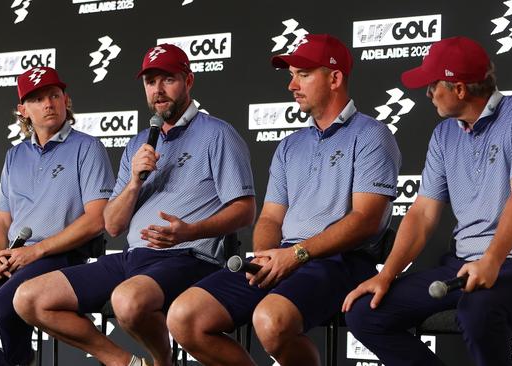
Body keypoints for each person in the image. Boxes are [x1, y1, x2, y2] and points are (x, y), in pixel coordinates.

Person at [13, 44, 256, 366]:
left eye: (167, 79)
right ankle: (124, 363)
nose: (158, 89)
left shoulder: (218, 134)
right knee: (29, 298)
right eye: (150, 81)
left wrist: (189, 232)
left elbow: (246, 210)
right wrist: (134, 182)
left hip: (188, 256)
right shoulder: (138, 142)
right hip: (134, 258)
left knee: (127, 301)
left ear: (189, 80)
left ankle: (161, 362)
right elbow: (113, 224)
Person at [167, 34, 401, 366]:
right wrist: (266, 256)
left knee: (270, 320)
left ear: (335, 78)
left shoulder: (372, 135)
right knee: (184, 316)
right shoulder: (290, 145)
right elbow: (270, 219)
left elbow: (367, 220)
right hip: (286, 257)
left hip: (340, 262)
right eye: (291, 75)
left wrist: (296, 254)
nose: (292, 85)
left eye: (303, 74)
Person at [342, 36, 512, 366]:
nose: (429, 93)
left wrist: (491, 260)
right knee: (365, 313)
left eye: (433, 85)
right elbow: (421, 214)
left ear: (459, 89)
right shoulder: (444, 134)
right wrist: (386, 274)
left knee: (477, 309)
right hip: (461, 267)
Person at [0, 67, 115, 366]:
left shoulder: (88, 148)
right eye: (37, 99)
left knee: (5, 300)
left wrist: (35, 251)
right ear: (23, 110)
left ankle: (18, 361)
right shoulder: (15, 155)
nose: (48, 103)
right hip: (17, 257)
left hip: (61, 257)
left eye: (54, 95)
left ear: (66, 100)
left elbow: (97, 220)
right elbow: (0, 220)